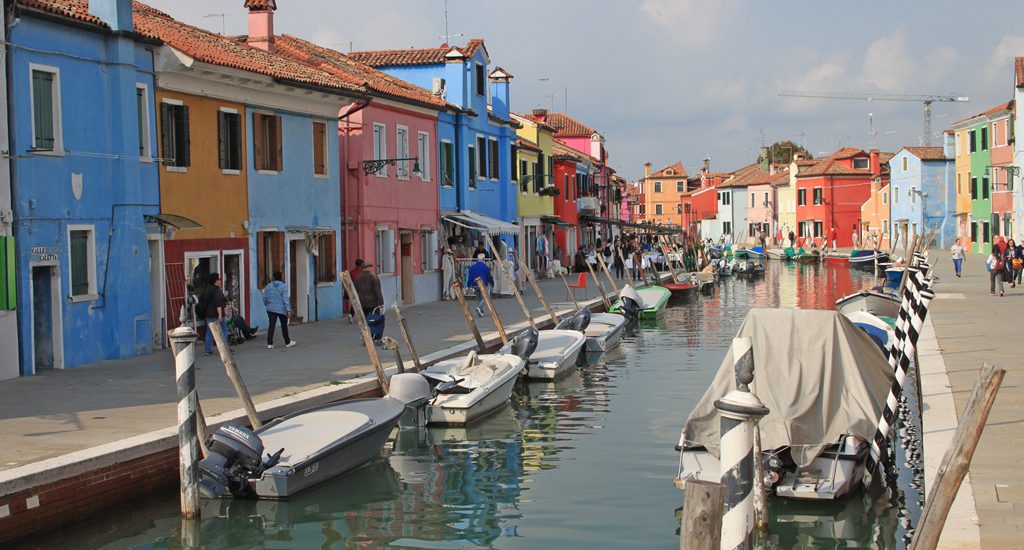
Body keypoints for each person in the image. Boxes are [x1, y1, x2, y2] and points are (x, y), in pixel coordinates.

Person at [263, 271, 295, 349]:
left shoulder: (268, 286)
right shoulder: (283, 286)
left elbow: (265, 298)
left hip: (270, 309)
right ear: (281, 277)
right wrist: (288, 310)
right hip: (282, 309)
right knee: (284, 326)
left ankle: (269, 344)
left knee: (271, 325)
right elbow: (285, 299)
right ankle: (287, 342)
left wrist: (267, 304)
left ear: (273, 277)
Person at [199, 272, 228, 357]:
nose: (220, 281)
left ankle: (208, 350)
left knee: (209, 332)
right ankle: (224, 348)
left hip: (208, 314)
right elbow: (218, 304)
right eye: (219, 279)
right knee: (223, 331)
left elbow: (202, 301)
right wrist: (220, 315)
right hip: (216, 314)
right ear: (215, 281)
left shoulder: (206, 289)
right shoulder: (217, 290)